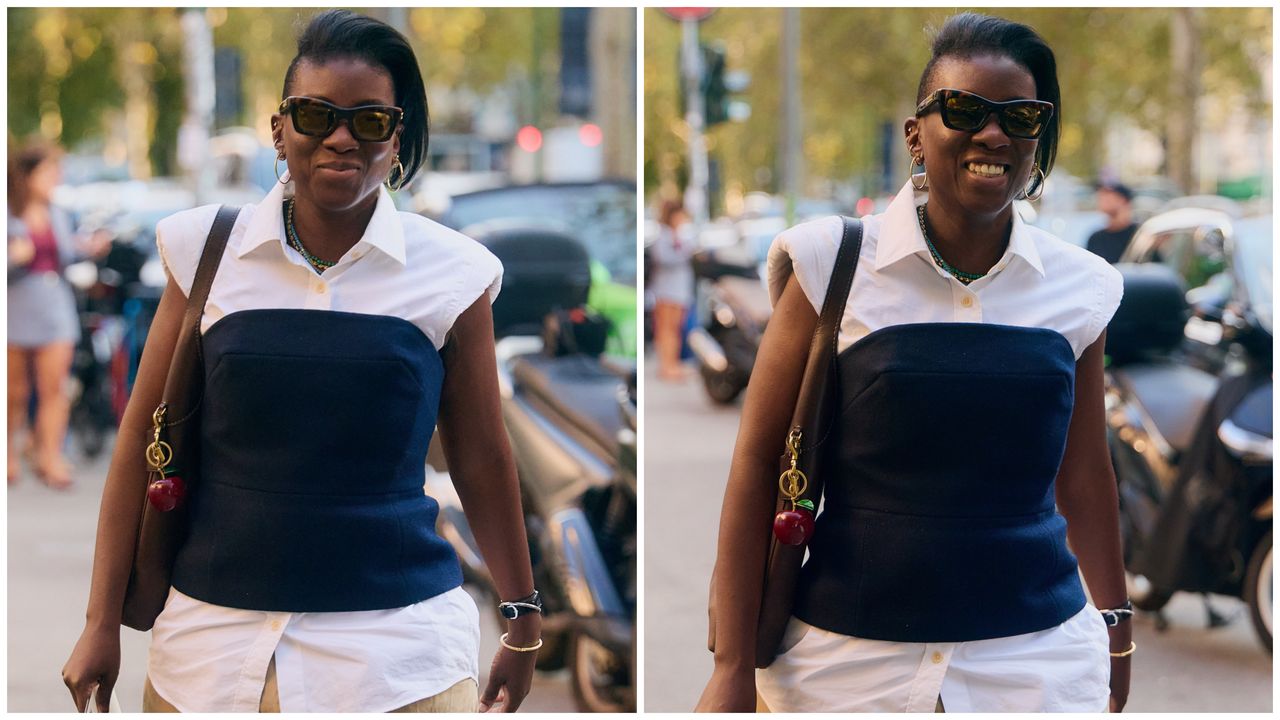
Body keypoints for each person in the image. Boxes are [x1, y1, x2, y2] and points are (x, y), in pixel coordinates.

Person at [62, 10, 539, 713]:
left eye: (370, 120)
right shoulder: (201, 252)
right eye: (316, 115)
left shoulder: (454, 272)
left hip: (398, 664)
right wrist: (101, 622)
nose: (342, 137)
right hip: (210, 660)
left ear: (396, 136)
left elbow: (482, 456)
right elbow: (140, 439)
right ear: (279, 128)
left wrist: (522, 617)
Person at [697, 13, 1132, 713]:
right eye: (965, 109)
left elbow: (1084, 475)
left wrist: (1116, 626)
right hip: (846, 673)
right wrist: (731, 664)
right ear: (915, 135)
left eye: (1021, 116)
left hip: (1037, 672)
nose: (995, 134)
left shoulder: (1082, 286)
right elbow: (756, 465)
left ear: (1039, 138)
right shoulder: (829, 263)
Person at [7, 142, 107, 489]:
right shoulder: (9, 212)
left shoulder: (60, 214)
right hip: (16, 306)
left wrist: (87, 251)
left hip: (56, 307)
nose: (56, 178)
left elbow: (66, 257)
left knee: (55, 389)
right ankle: (8, 454)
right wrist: (13, 257)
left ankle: (49, 456)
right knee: (14, 390)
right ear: (28, 175)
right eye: (49, 171)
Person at [650, 198, 695, 381]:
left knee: (675, 329)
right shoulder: (664, 236)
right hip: (667, 291)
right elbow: (664, 258)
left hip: (679, 290)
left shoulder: (677, 236)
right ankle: (667, 366)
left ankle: (672, 363)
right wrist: (686, 252)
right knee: (667, 329)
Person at [1086, 180, 1138, 264]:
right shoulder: (1096, 239)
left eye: (1107, 194)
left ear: (1123, 200)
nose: (1101, 197)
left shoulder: (1140, 236)